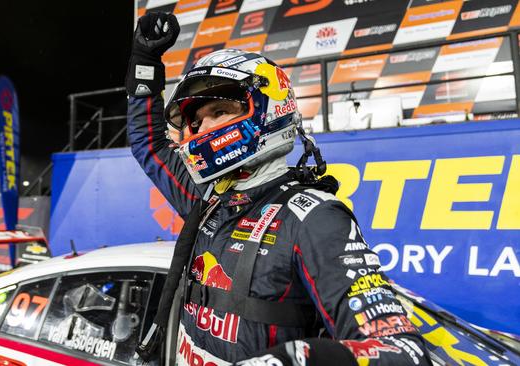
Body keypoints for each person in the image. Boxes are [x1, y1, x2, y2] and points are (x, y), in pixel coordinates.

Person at [125, 12, 431, 366]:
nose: (202, 127)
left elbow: (402, 351)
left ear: (269, 107)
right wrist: (145, 61)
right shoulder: (207, 200)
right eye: (195, 120)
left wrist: (300, 358)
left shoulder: (314, 217)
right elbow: (148, 143)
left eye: (219, 111)